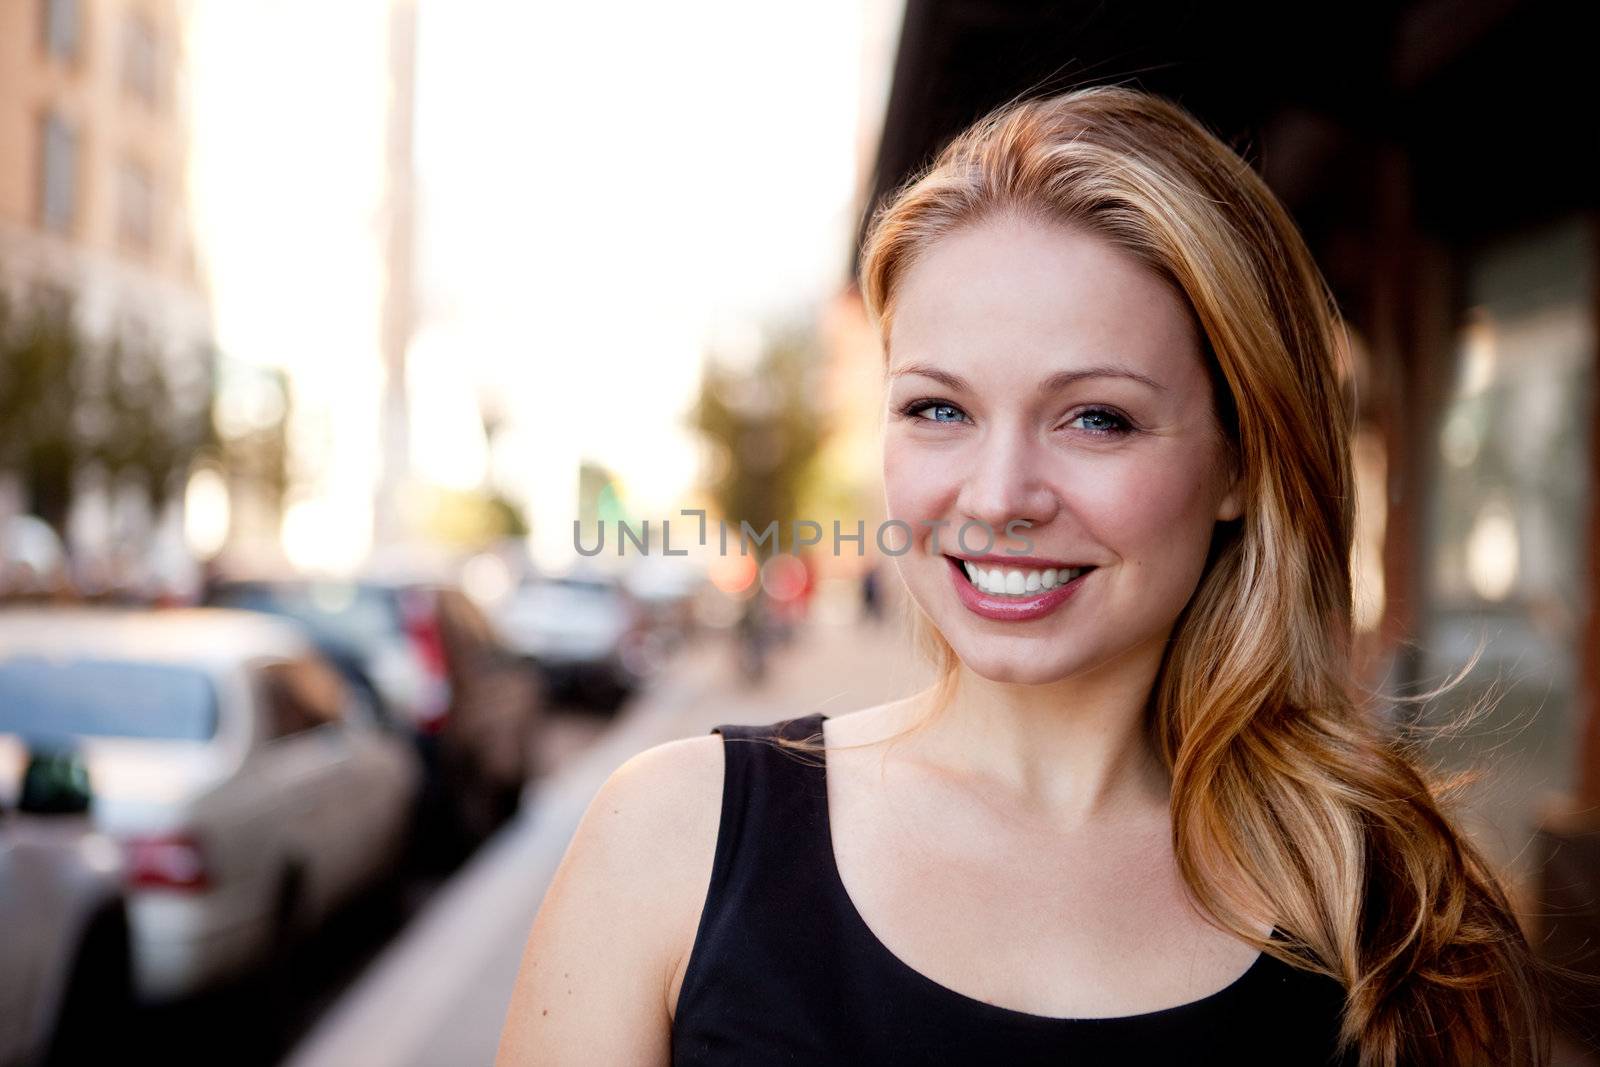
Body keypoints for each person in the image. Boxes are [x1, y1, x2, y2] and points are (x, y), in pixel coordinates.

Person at [496, 86, 1551, 1066]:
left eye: (1096, 416)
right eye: (937, 408)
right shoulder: (673, 838)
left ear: (1240, 459)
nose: (999, 494)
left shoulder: (1391, 908)